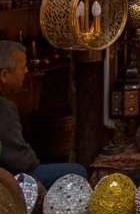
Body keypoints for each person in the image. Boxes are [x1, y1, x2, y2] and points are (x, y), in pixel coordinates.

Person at [0, 41, 86, 187]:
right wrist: (34, 160)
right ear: (4, 75)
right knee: (78, 171)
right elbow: (19, 160)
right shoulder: (4, 107)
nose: (26, 71)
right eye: (22, 67)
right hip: (8, 181)